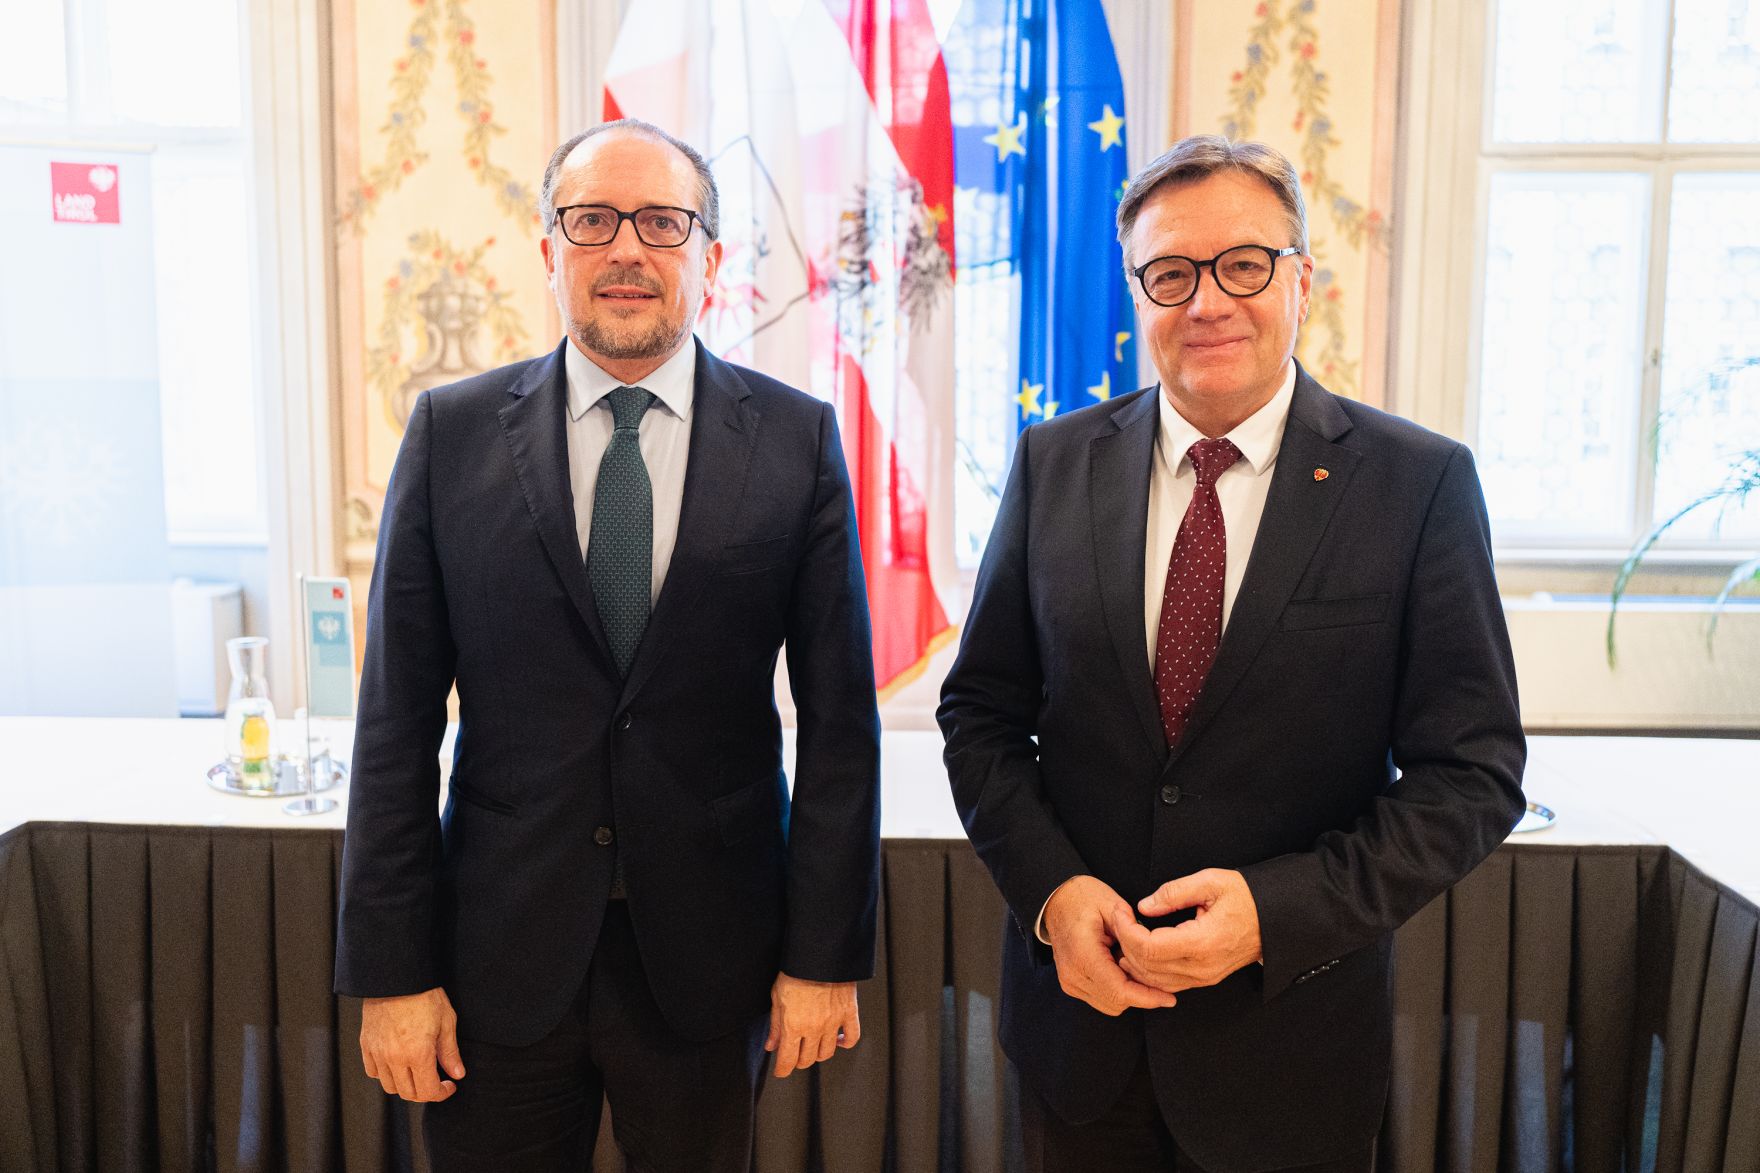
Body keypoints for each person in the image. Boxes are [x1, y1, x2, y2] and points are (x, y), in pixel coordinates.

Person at [938, 135, 1526, 1173]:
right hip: (1078, 1044)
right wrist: (1051, 896)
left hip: (1289, 1053)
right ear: (1136, 293)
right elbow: (980, 716)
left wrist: (1272, 915)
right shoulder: (1051, 466)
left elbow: (1470, 778)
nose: (1205, 300)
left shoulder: (1415, 484)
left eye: (1242, 264)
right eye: (1169, 273)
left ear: (1302, 278)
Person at [335, 119, 882, 1172]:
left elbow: (839, 728)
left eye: (661, 221)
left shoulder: (796, 439)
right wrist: (390, 973)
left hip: (710, 959)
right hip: (496, 950)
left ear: (709, 259)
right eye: (592, 221)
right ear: (548, 251)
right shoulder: (448, 435)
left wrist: (823, 958)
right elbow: (394, 723)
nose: (626, 248)